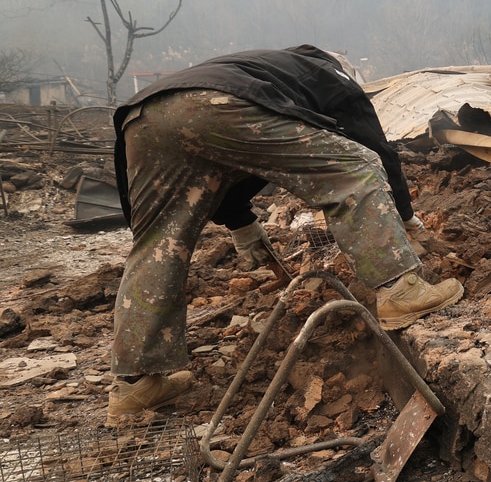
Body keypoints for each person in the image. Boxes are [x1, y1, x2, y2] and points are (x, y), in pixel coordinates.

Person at [107, 44, 462, 423]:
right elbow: (370, 143)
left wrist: (241, 223)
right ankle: (399, 287)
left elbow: (233, 163)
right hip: (211, 106)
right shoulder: (328, 74)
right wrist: (406, 217)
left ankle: (135, 386)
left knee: (159, 245)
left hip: (144, 117)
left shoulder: (261, 70)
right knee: (355, 167)